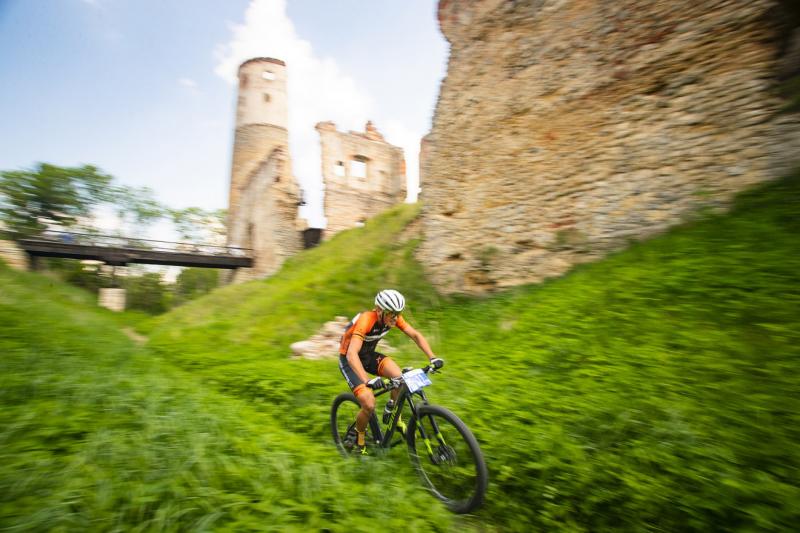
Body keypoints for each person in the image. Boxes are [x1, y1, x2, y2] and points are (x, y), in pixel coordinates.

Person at [338, 289, 444, 454]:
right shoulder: (366, 320)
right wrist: (367, 380)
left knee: (399, 379)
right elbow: (352, 354)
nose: (395, 318)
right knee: (368, 403)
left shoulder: (393, 318)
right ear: (379, 311)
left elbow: (415, 335)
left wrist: (432, 358)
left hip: (368, 356)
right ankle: (358, 436)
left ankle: (392, 412)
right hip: (349, 359)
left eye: (398, 313)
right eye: (391, 314)